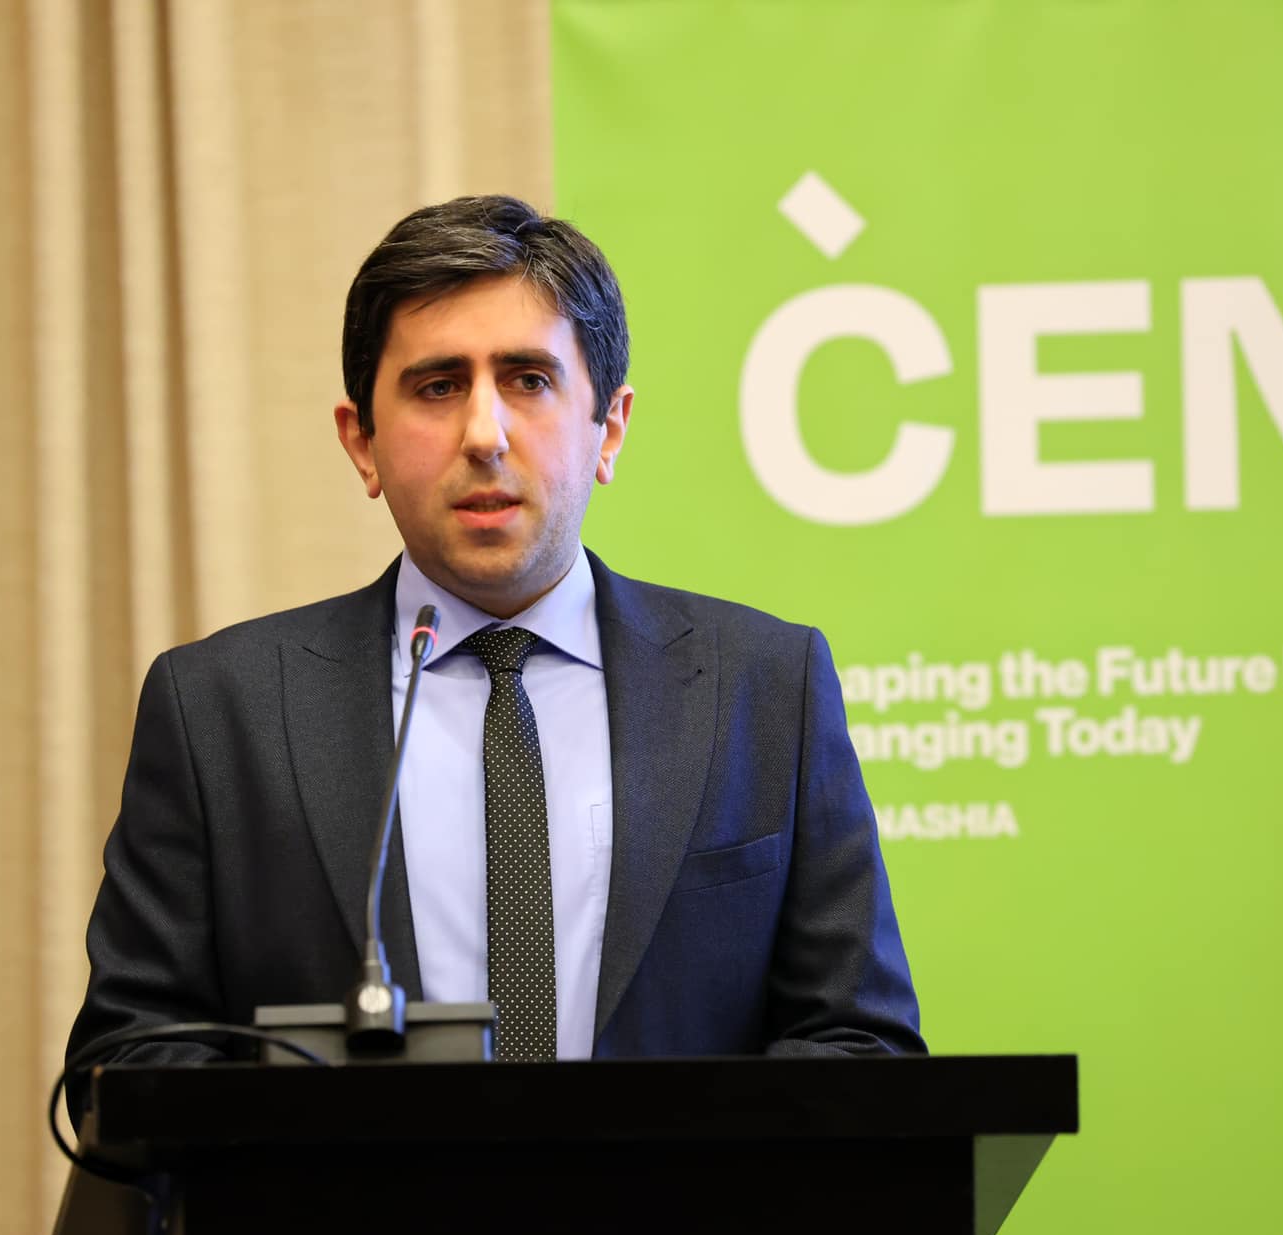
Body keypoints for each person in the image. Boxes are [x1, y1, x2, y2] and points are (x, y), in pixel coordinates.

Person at [65, 195, 921, 1128]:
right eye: (438, 386)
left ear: (610, 427)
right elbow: (132, 1053)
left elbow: (859, 1041)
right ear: (362, 442)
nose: (484, 433)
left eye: (528, 379)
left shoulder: (767, 687)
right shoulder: (221, 711)